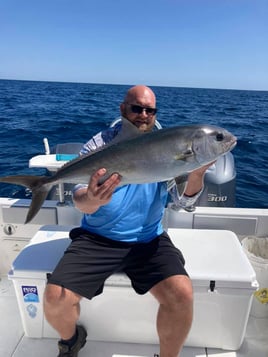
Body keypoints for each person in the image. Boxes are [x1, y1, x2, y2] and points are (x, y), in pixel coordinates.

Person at [44, 85, 211, 357]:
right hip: (97, 240)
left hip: (148, 239)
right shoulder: (101, 144)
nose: (143, 115)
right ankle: (71, 340)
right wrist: (94, 199)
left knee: (182, 294)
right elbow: (79, 200)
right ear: (123, 109)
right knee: (55, 298)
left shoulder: (171, 146)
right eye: (137, 108)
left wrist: (196, 175)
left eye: (150, 110)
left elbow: (184, 204)